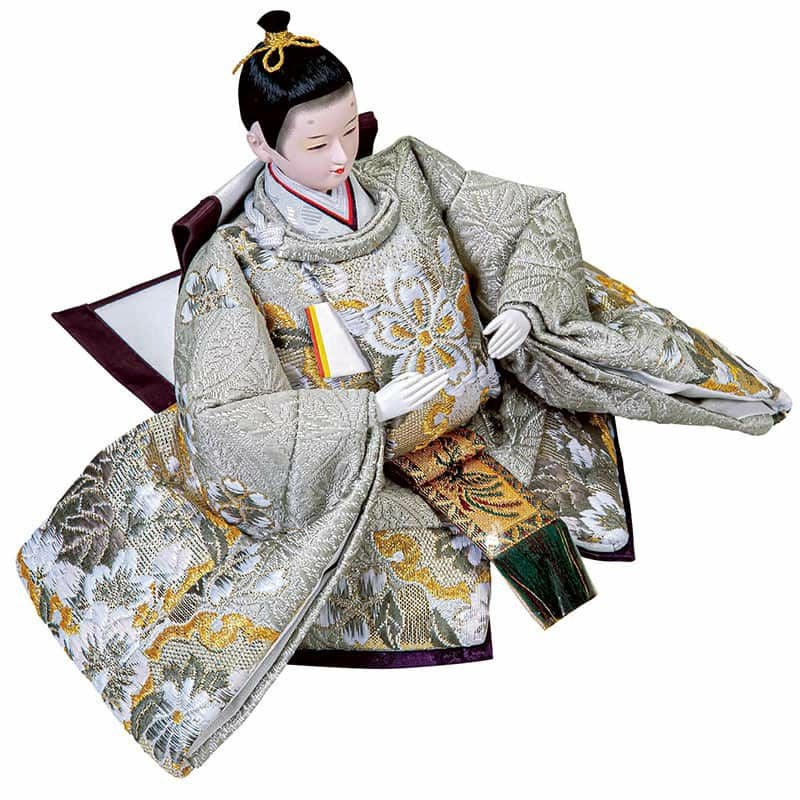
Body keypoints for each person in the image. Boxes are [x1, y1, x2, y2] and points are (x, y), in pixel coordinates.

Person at [16, 9, 791, 777]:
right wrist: (365, 413)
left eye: (349, 129)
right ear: (259, 143)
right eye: (316, 143)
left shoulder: (409, 173)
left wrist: (524, 306)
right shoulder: (237, 261)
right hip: (365, 458)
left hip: (484, 409)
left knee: (572, 563)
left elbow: (527, 217)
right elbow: (227, 413)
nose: (342, 156)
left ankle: (598, 647)